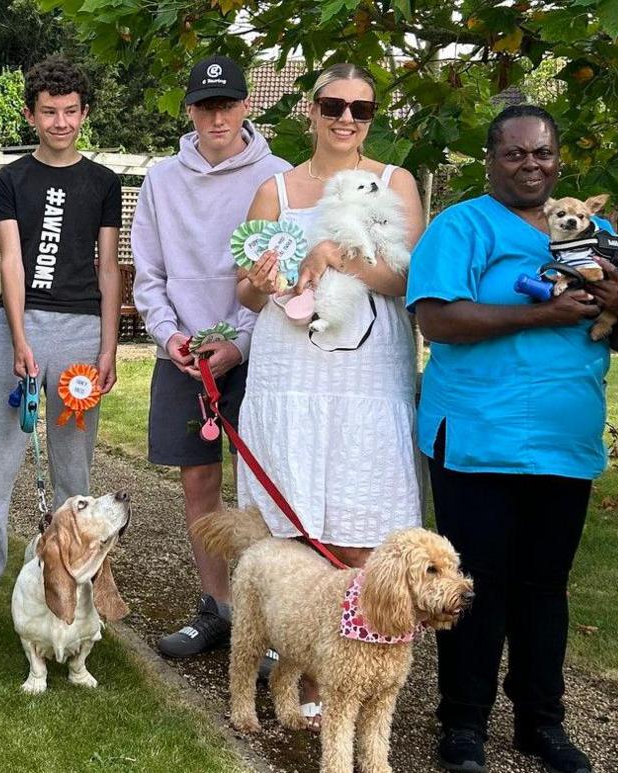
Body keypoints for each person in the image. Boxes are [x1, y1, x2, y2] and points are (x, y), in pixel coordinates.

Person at [408, 104, 618, 773]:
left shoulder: (595, 231)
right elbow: (439, 319)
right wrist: (541, 312)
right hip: (478, 438)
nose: (531, 165)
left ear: (558, 158)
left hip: (563, 440)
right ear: (490, 159)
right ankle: (462, 723)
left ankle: (541, 721)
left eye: (542, 153)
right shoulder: (460, 226)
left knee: (546, 586)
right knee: (473, 586)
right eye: (515, 153)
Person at [234, 62, 426, 726]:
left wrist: (336, 257)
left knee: (364, 530)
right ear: (310, 111)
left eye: (361, 109)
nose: (347, 118)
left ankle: (359, 676)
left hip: (367, 381)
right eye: (334, 105)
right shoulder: (275, 191)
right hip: (291, 378)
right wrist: (262, 278)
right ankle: (295, 664)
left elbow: (407, 279)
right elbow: (245, 291)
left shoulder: (394, 183)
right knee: (292, 527)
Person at [0, 58, 121, 640]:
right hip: (20, 326)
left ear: (84, 114)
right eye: (48, 111)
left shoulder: (103, 183)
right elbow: (12, 261)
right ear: (31, 113)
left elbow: (107, 268)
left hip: (81, 334)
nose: (60, 121)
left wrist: (109, 345)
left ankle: (74, 589)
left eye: (70, 111)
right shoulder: (11, 181)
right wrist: (20, 338)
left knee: (74, 472)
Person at [133, 55, 290, 659]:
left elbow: (279, 270)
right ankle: (217, 606)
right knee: (198, 481)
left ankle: (266, 620)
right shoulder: (161, 180)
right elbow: (149, 273)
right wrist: (169, 336)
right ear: (191, 110)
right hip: (184, 355)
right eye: (205, 105)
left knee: (263, 487)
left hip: (259, 351)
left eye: (227, 104)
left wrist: (241, 341)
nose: (216, 116)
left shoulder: (277, 177)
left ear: (247, 105)